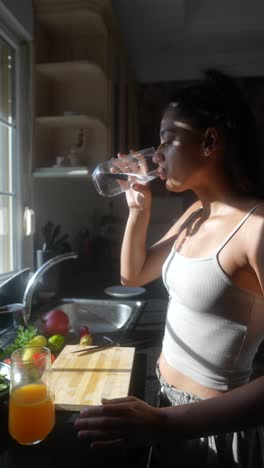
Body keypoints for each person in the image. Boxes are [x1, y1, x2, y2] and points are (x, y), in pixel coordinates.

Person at [74, 69, 264, 467]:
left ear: (210, 142)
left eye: (167, 140)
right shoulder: (196, 212)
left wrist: (166, 423)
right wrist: (137, 211)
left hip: (214, 429)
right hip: (161, 404)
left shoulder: (257, 229)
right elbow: (133, 275)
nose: (155, 156)